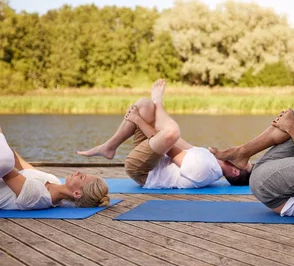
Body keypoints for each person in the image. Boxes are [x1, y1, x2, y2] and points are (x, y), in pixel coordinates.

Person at [78, 79, 248, 189]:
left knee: (171, 132)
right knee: (145, 106)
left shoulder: (204, 167)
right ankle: (109, 147)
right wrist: (146, 118)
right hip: (153, 155)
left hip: (142, 170)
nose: (240, 153)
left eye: (242, 160)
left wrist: (140, 120)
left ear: (234, 172)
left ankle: (157, 101)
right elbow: (176, 142)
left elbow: (168, 144)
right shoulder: (209, 158)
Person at [0, 126, 109, 210]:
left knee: (5, 161)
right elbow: (17, 161)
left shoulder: (37, 196)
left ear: (77, 193)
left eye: (82, 177)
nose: (78, 172)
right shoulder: (53, 180)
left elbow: (5, 168)